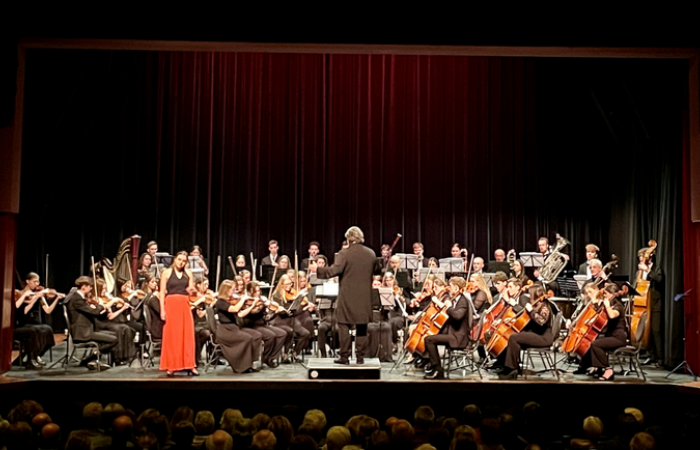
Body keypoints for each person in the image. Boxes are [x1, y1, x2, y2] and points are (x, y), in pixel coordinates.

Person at [310, 226, 379, 365]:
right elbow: (376, 270)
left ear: (348, 238)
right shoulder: (371, 253)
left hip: (347, 295)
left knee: (343, 325)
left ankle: (344, 357)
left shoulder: (344, 253)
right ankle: (360, 357)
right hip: (365, 296)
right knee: (362, 327)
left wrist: (318, 270)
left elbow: (334, 271)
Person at [496, 285, 555, 380]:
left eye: (530, 294)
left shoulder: (544, 307)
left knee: (514, 338)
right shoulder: (534, 305)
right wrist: (512, 320)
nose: (529, 296)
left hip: (543, 337)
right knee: (510, 335)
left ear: (536, 295)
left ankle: (512, 369)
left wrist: (531, 311)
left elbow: (541, 322)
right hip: (535, 334)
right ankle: (506, 366)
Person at [573, 283, 627, 381]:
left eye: (606, 294)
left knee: (596, 344)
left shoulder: (618, 305)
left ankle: (608, 369)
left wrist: (607, 306)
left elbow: (612, 315)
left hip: (618, 338)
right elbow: (599, 317)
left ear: (611, 294)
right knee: (591, 342)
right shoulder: (609, 304)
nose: (604, 296)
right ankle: (598, 368)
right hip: (610, 336)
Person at [159, 251, 198, 376]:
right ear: (175, 259)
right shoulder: (166, 273)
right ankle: (171, 366)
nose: (181, 262)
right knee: (172, 336)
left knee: (187, 335)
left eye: (183, 261)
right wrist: (162, 310)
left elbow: (191, 293)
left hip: (184, 305)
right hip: (171, 305)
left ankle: (190, 364)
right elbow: (161, 293)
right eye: (179, 259)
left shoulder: (188, 274)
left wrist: (192, 291)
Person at [423, 277, 471, 379]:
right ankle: (432, 365)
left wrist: (448, 307)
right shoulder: (456, 299)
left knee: (429, 340)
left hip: (458, 337)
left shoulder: (463, 300)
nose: (449, 289)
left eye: (451, 286)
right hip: (453, 333)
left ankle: (438, 370)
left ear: (456, 288)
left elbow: (457, 316)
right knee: (430, 336)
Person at [65, 276, 116, 370]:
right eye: (90, 286)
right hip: (82, 333)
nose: (91, 288)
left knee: (113, 334)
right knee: (113, 339)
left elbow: (89, 311)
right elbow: (95, 312)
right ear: (83, 287)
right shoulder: (77, 299)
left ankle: (92, 360)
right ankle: (88, 359)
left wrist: (92, 307)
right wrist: (100, 306)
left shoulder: (79, 298)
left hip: (86, 330)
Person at [13, 272, 59, 369]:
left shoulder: (36, 294)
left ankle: (37, 354)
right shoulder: (18, 293)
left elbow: (47, 310)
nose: (37, 284)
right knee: (34, 331)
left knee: (47, 329)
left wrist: (56, 299)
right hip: (21, 323)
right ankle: (31, 359)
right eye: (34, 281)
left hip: (33, 322)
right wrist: (34, 298)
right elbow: (23, 310)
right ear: (27, 281)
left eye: (38, 281)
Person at [214, 280, 262, 373]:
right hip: (226, 330)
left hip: (234, 328)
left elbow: (240, 314)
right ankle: (242, 366)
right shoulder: (220, 302)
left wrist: (251, 306)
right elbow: (234, 309)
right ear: (226, 290)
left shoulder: (231, 301)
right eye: (232, 290)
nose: (234, 291)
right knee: (247, 338)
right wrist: (243, 299)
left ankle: (251, 362)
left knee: (256, 335)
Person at [240, 281, 286, 367]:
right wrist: (259, 306)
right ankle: (265, 357)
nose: (258, 293)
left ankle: (271, 357)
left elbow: (267, 317)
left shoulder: (262, 299)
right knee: (270, 335)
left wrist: (274, 311)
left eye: (258, 291)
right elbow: (253, 313)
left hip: (262, 324)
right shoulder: (246, 301)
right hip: (252, 325)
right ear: (250, 292)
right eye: (255, 291)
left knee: (282, 334)